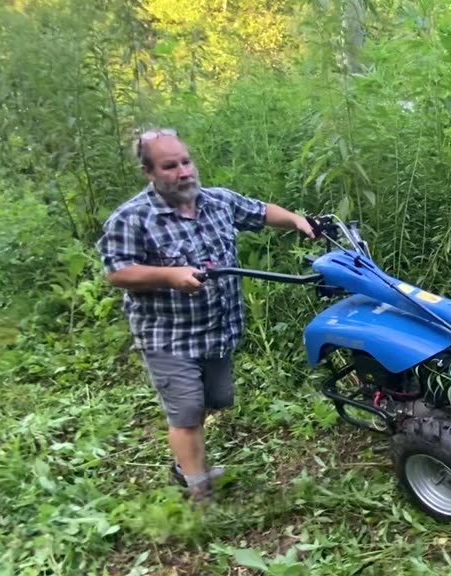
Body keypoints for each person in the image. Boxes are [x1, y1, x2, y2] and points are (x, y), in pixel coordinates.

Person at [97, 128, 315, 502]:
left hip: (217, 331)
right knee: (187, 411)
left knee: (215, 399)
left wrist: (296, 220)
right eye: (170, 166)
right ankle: (200, 492)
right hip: (168, 335)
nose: (183, 172)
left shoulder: (218, 202)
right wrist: (169, 275)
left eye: (185, 161)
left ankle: (185, 467)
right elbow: (117, 272)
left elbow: (261, 212)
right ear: (149, 172)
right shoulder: (132, 218)